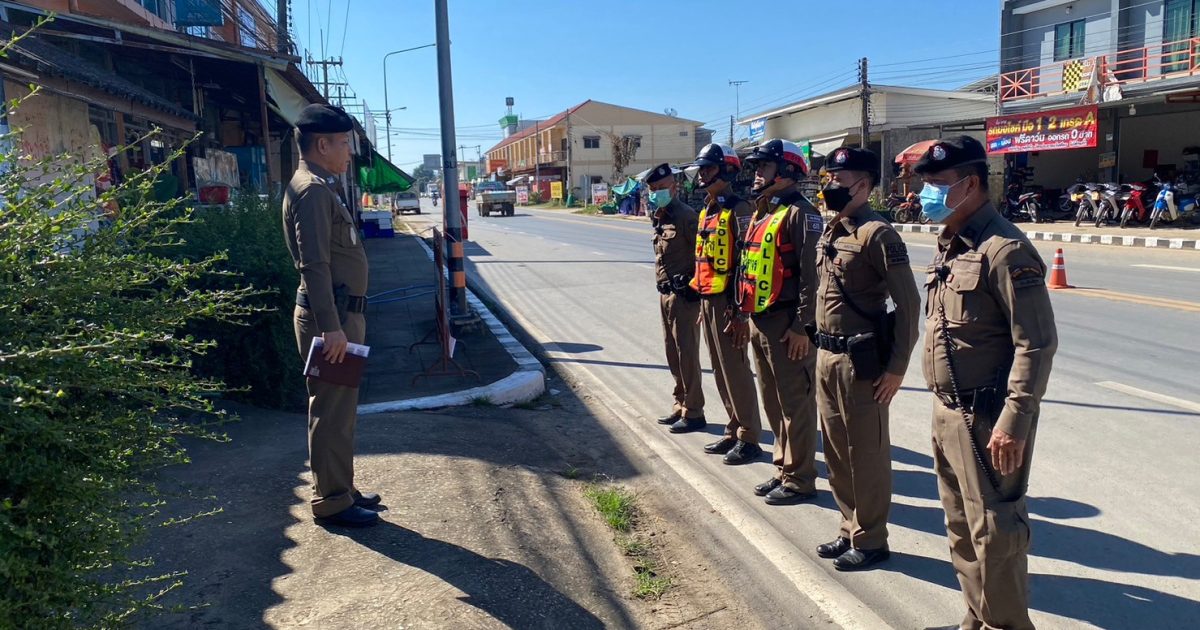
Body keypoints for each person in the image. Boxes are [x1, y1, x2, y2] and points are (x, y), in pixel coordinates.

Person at [914, 136, 1057, 630]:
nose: (925, 194)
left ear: (970, 184)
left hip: (989, 418)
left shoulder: (1005, 250)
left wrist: (1014, 422)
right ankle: (976, 619)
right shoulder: (953, 244)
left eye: (936, 183)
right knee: (960, 528)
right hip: (948, 410)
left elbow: (1036, 344)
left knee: (996, 534)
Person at [812, 147, 921, 571]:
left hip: (861, 363)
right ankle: (849, 528)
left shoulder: (878, 235)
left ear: (863, 186)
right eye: (829, 179)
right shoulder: (833, 229)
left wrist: (896, 369)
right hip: (827, 355)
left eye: (839, 180)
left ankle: (872, 539)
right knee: (837, 453)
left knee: (867, 455)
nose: (830, 186)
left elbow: (908, 305)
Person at [282, 104, 382, 528]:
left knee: (341, 411)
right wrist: (332, 328)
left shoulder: (320, 186)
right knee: (330, 412)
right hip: (333, 319)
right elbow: (315, 265)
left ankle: (342, 487)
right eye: (343, 143)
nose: (348, 152)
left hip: (342, 316)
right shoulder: (312, 191)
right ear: (322, 144)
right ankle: (333, 502)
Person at [736, 139, 822, 505]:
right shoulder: (766, 211)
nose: (757, 173)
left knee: (795, 405)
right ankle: (783, 467)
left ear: (786, 171)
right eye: (757, 167)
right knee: (773, 401)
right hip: (762, 319)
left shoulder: (802, 214)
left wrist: (802, 327)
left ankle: (800, 478)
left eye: (764, 167)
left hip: (788, 324)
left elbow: (812, 277)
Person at [685, 144, 763, 464]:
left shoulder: (738, 209)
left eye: (710, 168)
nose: (703, 174)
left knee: (736, 370)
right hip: (709, 300)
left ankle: (749, 436)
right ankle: (733, 428)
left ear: (727, 171)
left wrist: (740, 311)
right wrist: (704, 303)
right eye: (702, 169)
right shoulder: (708, 209)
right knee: (720, 369)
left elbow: (746, 262)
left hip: (729, 303)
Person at [645, 163, 706, 433]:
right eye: (653, 189)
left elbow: (702, 255)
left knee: (687, 354)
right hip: (665, 294)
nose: (656, 192)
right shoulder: (660, 216)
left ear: (674, 187)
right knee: (672, 353)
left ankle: (694, 411)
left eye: (661, 187)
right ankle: (680, 403)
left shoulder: (686, 216)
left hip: (684, 297)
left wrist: (696, 291)